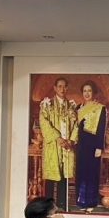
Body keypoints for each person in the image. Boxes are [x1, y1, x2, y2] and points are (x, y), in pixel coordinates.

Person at [39, 76, 78, 209]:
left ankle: (62, 205)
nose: (62, 89)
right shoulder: (47, 105)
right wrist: (57, 138)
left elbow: (76, 125)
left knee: (64, 175)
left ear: (67, 88)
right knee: (51, 176)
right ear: (55, 88)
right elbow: (44, 123)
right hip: (53, 145)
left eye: (64, 86)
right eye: (59, 86)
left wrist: (71, 140)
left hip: (67, 145)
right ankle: (48, 206)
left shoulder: (71, 106)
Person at [75, 80, 107, 212]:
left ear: (93, 92)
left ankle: (91, 202)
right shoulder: (78, 108)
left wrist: (99, 146)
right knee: (81, 172)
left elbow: (101, 128)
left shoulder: (100, 108)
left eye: (89, 91)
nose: (87, 93)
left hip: (93, 145)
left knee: (91, 173)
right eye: (84, 91)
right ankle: (81, 201)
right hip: (80, 145)